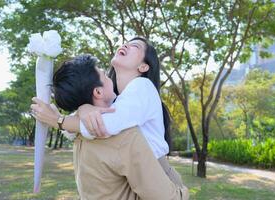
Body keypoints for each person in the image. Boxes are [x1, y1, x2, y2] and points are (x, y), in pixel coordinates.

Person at [31, 54, 189, 199]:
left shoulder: (78, 133)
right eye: (105, 76)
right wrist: (182, 191)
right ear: (98, 92)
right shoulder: (124, 137)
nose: (109, 79)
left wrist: (65, 116)